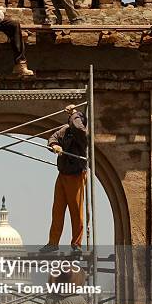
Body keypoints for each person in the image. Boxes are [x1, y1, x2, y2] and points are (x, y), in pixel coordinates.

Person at [40, 106, 87, 255]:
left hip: (76, 175)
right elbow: (52, 138)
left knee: (76, 212)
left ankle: (76, 244)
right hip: (63, 175)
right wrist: (55, 145)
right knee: (58, 210)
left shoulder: (82, 134)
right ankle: (53, 242)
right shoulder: (66, 130)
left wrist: (74, 114)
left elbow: (78, 128)